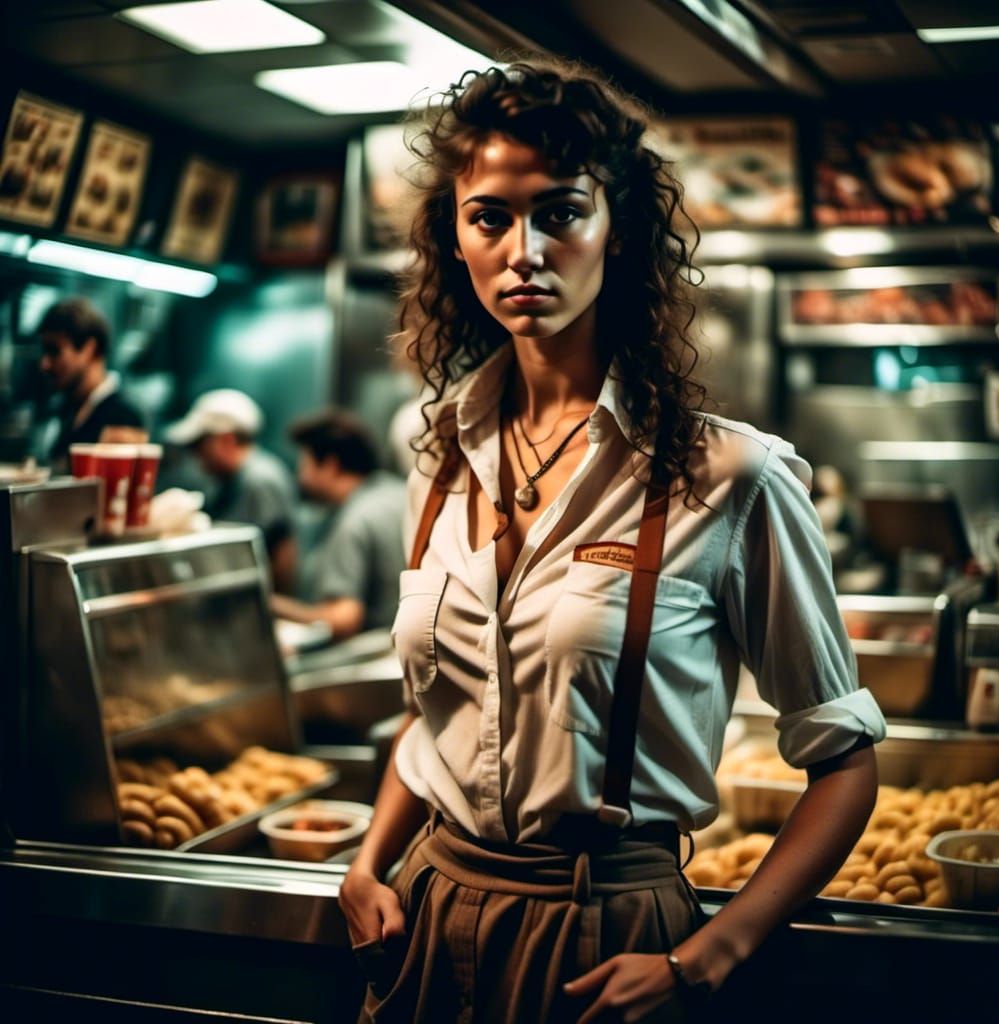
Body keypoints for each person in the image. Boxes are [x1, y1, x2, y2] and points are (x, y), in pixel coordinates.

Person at [338, 59, 886, 1024]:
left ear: (617, 232)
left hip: (608, 933)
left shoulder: (729, 477)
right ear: (454, 240)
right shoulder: (441, 455)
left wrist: (710, 955)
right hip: (424, 916)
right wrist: (370, 859)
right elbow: (439, 717)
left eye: (560, 213)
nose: (523, 252)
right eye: (490, 218)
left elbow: (843, 763)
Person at [271, 409, 406, 639]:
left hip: (376, 652)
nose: (300, 476)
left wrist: (274, 606)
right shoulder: (399, 492)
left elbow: (344, 618)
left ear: (330, 466)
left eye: (305, 464)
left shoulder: (354, 520)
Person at [166, 389, 296, 593]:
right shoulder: (230, 480)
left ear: (226, 440)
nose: (197, 456)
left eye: (199, 445)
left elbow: (282, 555)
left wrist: (269, 606)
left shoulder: (260, 480)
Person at [36, 296, 145, 471]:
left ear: (89, 348)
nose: (45, 364)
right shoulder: (68, 409)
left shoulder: (123, 416)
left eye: (55, 351)